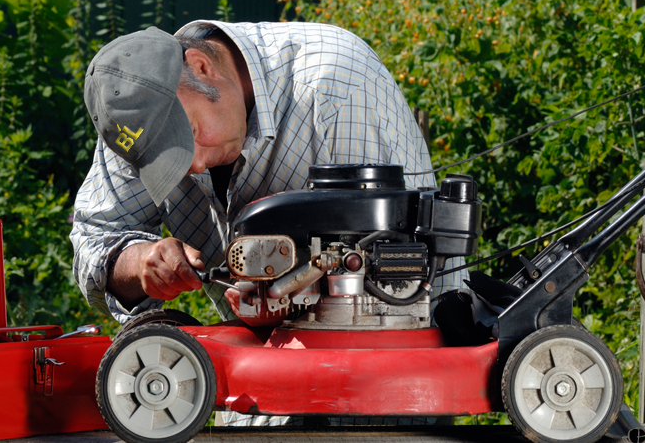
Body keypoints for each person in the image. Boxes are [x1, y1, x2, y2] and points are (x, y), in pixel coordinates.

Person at [70, 20, 461, 324]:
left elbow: (400, 282)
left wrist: (293, 288)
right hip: (253, 397)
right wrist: (138, 262)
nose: (194, 166)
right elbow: (96, 237)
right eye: (163, 160)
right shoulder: (133, 118)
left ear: (202, 68)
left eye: (189, 135)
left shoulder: (334, 90)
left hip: (381, 390)